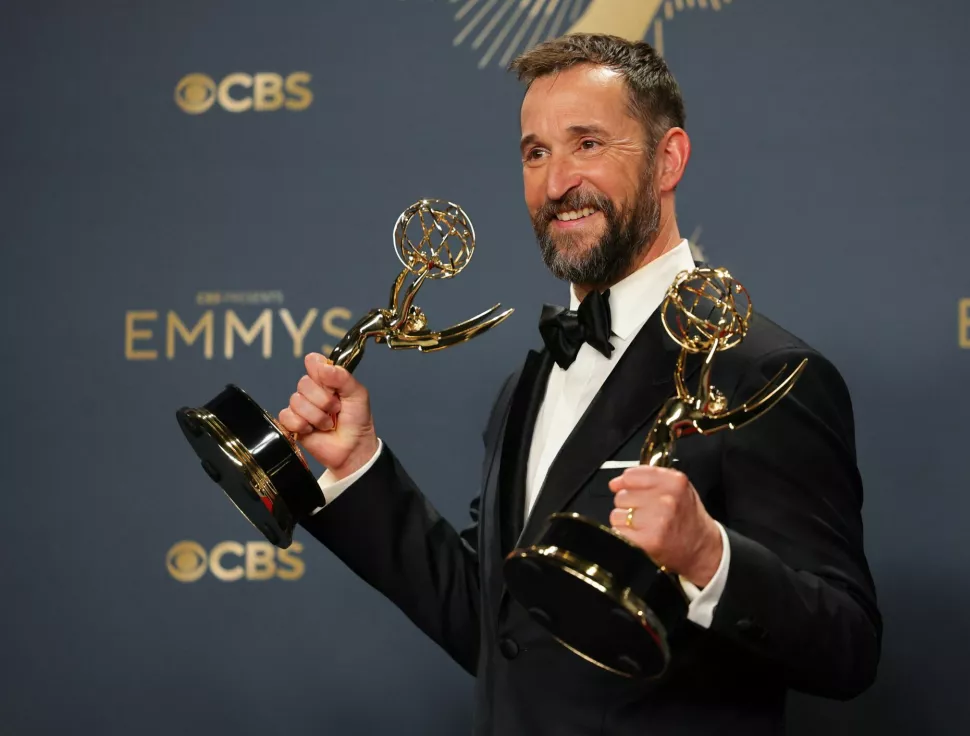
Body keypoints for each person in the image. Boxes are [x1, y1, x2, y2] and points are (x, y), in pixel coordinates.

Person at [277, 33, 881, 736]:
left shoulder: (765, 370)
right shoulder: (527, 382)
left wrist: (708, 556)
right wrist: (359, 470)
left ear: (668, 159)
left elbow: (848, 649)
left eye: (588, 143)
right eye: (536, 152)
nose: (557, 180)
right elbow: (498, 627)